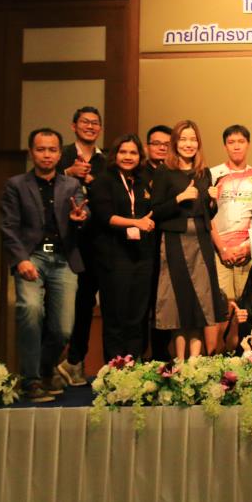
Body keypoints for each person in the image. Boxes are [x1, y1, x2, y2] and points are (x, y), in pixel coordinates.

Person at [0, 128, 89, 401]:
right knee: (30, 311)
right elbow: (8, 226)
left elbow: (84, 211)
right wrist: (21, 259)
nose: (47, 155)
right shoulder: (16, 185)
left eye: (52, 150)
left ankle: (44, 368)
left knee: (63, 328)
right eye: (41, 149)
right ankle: (31, 380)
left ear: (60, 154)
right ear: (31, 152)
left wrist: (80, 217)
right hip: (32, 256)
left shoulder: (71, 185)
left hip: (64, 258)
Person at [150, 120, 227, 361]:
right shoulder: (164, 172)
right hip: (175, 241)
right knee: (178, 300)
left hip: (201, 241)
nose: (188, 144)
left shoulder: (204, 173)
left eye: (193, 139)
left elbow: (208, 214)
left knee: (200, 299)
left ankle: (194, 361)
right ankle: (180, 361)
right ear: (175, 143)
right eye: (183, 139)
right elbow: (156, 211)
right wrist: (179, 198)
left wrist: (213, 201)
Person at [87, 134, 155, 361]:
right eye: (123, 152)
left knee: (138, 317)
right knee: (116, 316)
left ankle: (133, 368)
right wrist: (136, 222)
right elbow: (105, 216)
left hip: (142, 256)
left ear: (140, 156)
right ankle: (115, 371)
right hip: (114, 256)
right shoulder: (103, 181)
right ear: (114, 155)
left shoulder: (142, 182)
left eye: (133, 152)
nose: (128, 157)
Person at [55, 106, 107, 386]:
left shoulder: (105, 160)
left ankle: (75, 361)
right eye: (85, 122)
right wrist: (68, 172)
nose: (90, 126)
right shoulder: (61, 155)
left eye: (95, 123)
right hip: (64, 242)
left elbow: (111, 194)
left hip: (98, 242)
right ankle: (50, 365)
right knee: (60, 306)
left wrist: (91, 180)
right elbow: (40, 184)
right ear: (73, 126)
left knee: (86, 302)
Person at [209, 124, 252, 348]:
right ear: (225, 146)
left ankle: (247, 351)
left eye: (241, 142)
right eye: (231, 142)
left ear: (248, 144)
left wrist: (248, 246)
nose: (236, 146)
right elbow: (207, 216)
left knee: (247, 301)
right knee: (223, 303)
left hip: (247, 249)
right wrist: (222, 248)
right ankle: (221, 353)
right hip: (219, 249)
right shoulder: (213, 174)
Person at [144, 124, 172, 361]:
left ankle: (160, 356)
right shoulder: (137, 173)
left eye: (167, 144)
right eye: (157, 143)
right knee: (142, 304)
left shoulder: (176, 173)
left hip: (169, 244)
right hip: (141, 248)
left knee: (164, 301)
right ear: (147, 147)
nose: (162, 148)